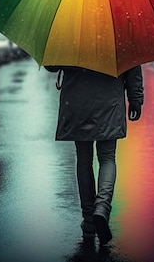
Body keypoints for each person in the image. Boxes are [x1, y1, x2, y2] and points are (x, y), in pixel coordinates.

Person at [45, 65, 144, 244]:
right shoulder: (120, 36)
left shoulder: (68, 36)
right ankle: (102, 208)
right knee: (107, 158)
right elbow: (132, 64)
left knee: (84, 160)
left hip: (77, 101)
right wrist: (135, 97)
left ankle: (89, 219)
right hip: (110, 100)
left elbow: (51, 66)